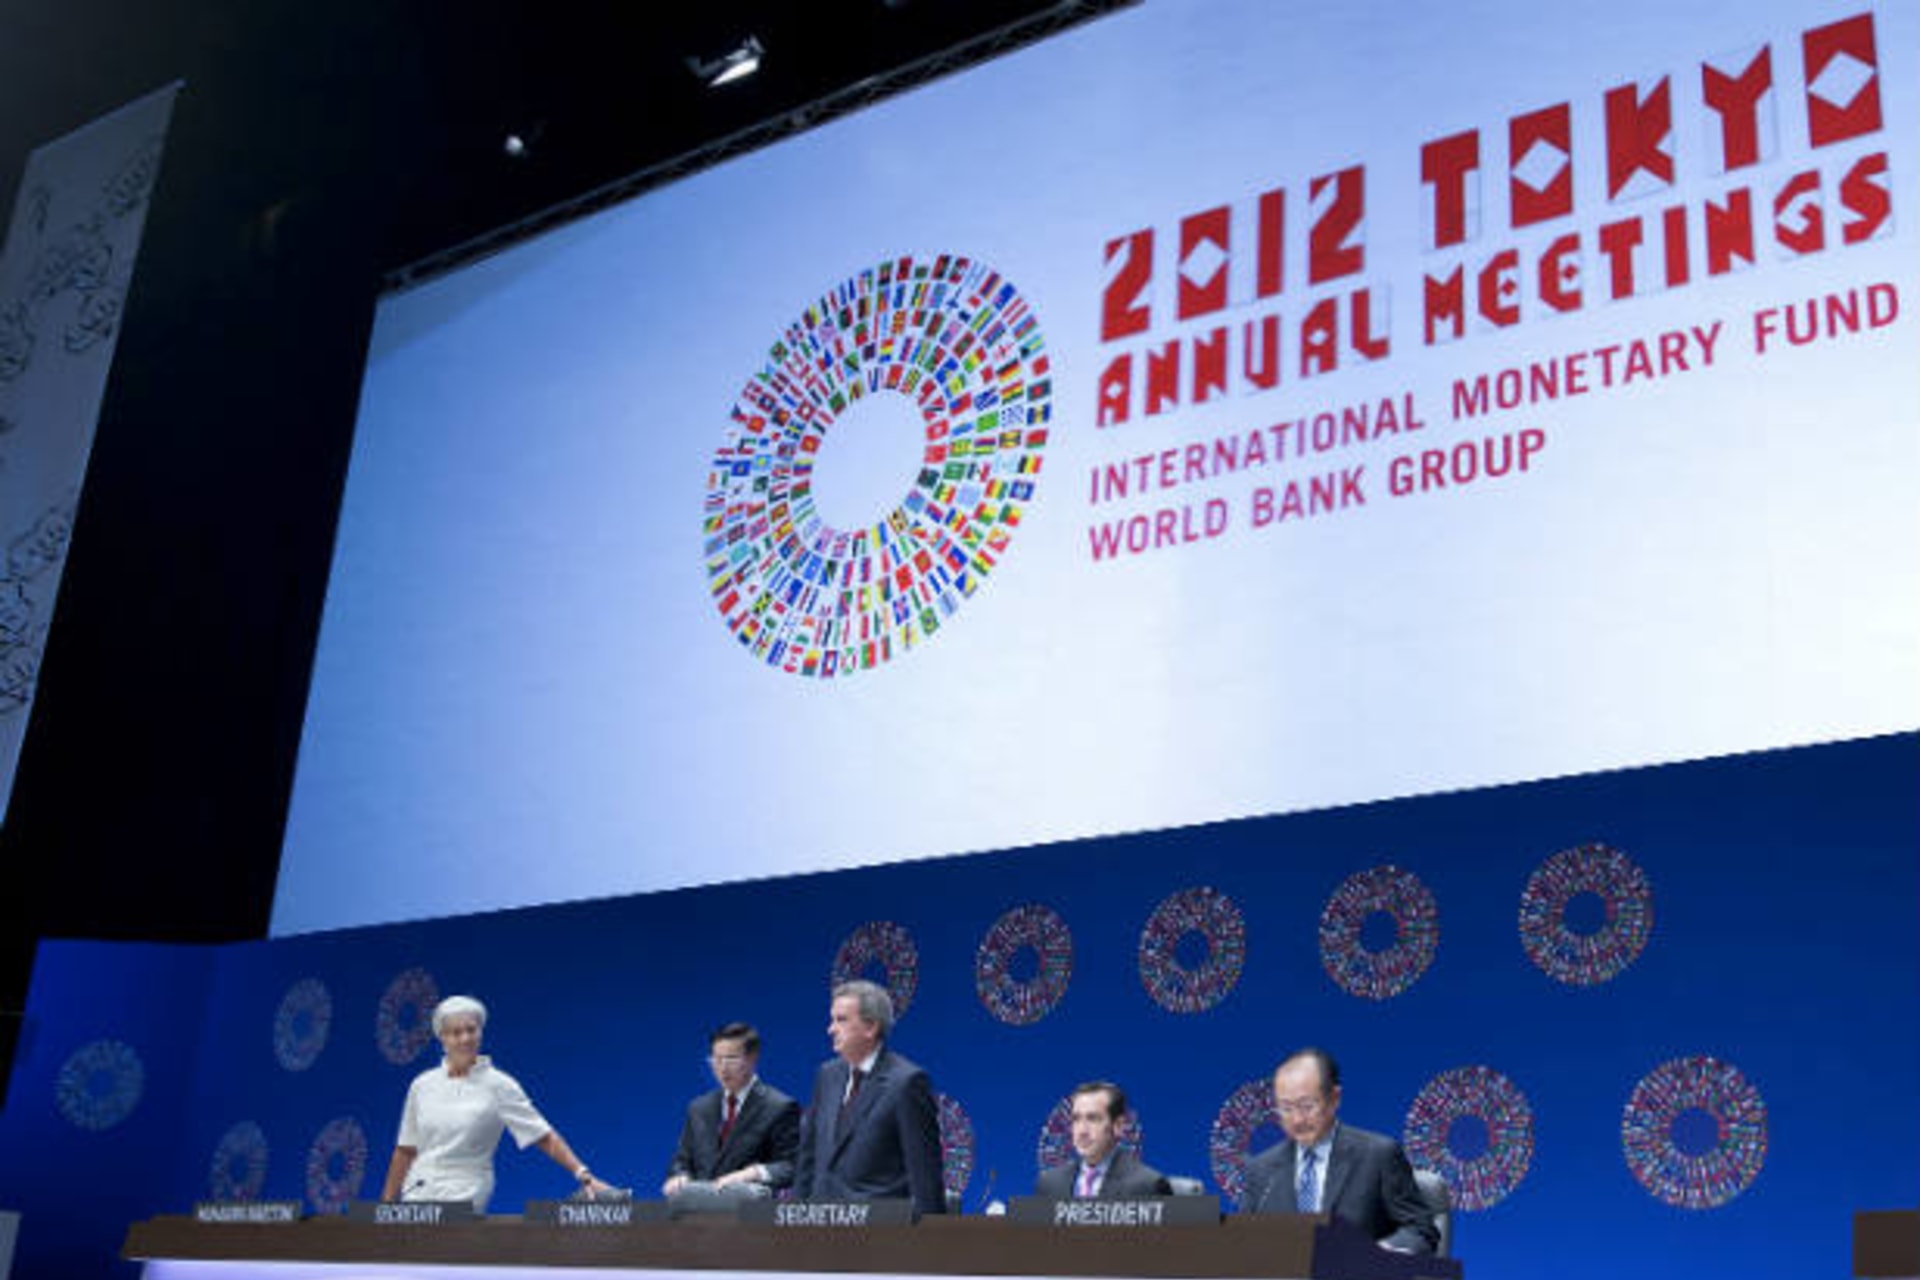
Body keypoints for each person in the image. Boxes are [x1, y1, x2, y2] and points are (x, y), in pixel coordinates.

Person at [379, 994, 614, 1211]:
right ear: (442, 1038)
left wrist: (583, 1174)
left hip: (466, 1190)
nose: (465, 1039)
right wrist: (386, 1205)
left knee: (445, 1247)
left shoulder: (500, 1086)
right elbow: (405, 1149)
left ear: (480, 1032)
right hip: (417, 1191)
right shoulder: (422, 1085)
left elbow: (543, 1136)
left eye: (471, 1030)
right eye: (456, 1032)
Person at [1239, 1047, 1436, 1254]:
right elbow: (1242, 1243)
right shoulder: (1261, 1170)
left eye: (1307, 1106)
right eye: (1286, 1108)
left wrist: (1381, 1255)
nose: (1297, 1120)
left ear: (1334, 1099)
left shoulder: (1378, 1155)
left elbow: (1420, 1229)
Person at [792, 979, 946, 1214]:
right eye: (832, 1020)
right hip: (818, 1229)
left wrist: (931, 1241)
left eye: (841, 1020)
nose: (830, 1029)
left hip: (879, 1234)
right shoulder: (827, 1075)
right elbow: (808, 1158)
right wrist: (793, 1220)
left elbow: (925, 1177)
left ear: (871, 1027)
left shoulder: (906, 1083)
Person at [661, 1021, 801, 1197]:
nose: (723, 1068)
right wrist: (679, 1176)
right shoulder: (699, 1108)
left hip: (750, 1215)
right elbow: (682, 1160)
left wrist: (753, 1173)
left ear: (752, 1059)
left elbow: (793, 1166)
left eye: (731, 1059)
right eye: (716, 1059)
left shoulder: (779, 1106)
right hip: (698, 1213)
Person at [1035, 1081, 1172, 1198]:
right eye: (1076, 1119)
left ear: (1118, 1126)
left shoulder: (1148, 1185)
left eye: (1093, 1119)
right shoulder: (1049, 1183)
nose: (1082, 1131)